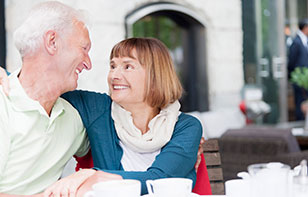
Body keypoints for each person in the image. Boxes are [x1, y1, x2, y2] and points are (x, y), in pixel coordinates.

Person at [42, 38, 204, 196]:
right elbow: (36, 85)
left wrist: (93, 175)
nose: (114, 75)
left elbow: (159, 180)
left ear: (155, 76)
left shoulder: (186, 127)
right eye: (112, 66)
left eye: (127, 66)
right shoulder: (98, 109)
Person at [0, 1, 121, 195]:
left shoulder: (72, 117)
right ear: (52, 42)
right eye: (84, 48)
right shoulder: (3, 104)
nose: (88, 64)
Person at [288, 18, 308, 120]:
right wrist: (294, 76)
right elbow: (291, 61)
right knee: (300, 101)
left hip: (305, 78)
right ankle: (300, 121)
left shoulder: (304, 40)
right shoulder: (296, 42)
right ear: (305, 27)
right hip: (299, 78)